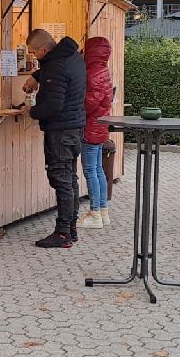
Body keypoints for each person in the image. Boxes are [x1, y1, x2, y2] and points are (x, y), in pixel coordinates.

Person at [22, 29, 87, 248]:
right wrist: (37, 76)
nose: (33, 57)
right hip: (75, 126)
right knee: (70, 178)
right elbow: (59, 75)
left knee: (62, 180)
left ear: (44, 49)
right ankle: (71, 228)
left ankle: (62, 234)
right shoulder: (72, 56)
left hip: (61, 131)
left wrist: (31, 111)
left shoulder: (55, 66)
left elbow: (52, 106)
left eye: (33, 52)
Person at [76, 37, 113, 230]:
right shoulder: (104, 70)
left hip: (90, 126)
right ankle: (103, 211)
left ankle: (94, 214)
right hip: (100, 125)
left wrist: (76, 106)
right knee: (99, 170)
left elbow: (90, 103)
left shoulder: (92, 73)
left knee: (91, 171)